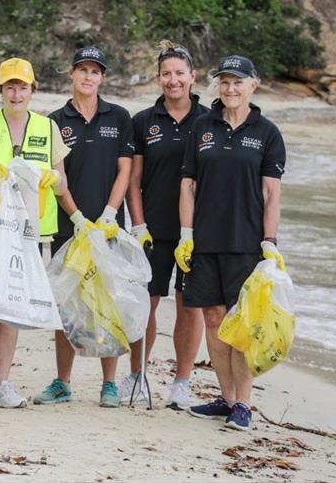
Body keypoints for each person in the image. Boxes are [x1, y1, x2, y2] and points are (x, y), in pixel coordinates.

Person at [0, 57, 70, 410]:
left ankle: (1, 384)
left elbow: (62, 181)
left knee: (11, 306)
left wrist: (51, 177)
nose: (16, 93)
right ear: (0, 90)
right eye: (9, 87)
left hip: (26, 232)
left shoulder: (47, 127)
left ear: (33, 90)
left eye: (22, 87)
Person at [179, 55, 286, 431]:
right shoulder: (202, 127)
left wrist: (269, 242)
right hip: (205, 242)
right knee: (213, 320)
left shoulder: (267, 132)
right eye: (224, 81)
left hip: (246, 244)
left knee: (240, 325)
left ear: (253, 85)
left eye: (238, 81)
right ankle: (226, 398)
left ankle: (244, 403)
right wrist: (186, 234)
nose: (230, 88)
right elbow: (187, 185)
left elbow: (271, 194)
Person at [32, 46, 135, 408]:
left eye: (95, 71)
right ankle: (63, 382)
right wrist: (75, 216)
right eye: (82, 70)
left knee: (108, 305)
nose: (88, 76)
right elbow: (55, 176)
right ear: (71, 74)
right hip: (67, 226)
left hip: (107, 228)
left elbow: (126, 169)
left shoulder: (119, 117)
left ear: (102, 78)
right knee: (68, 305)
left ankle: (109, 383)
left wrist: (109, 213)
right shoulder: (53, 121)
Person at [122, 40, 208, 409]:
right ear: (158, 79)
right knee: (146, 304)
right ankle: (137, 374)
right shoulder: (142, 121)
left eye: (179, 73)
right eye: (166, 74)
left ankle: (182, 381)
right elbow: (133, 181)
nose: (173, 81)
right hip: (153, 228)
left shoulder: (210, 120)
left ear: (193, 76)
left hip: (198, 231)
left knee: (190, 305)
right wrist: (138, 225)